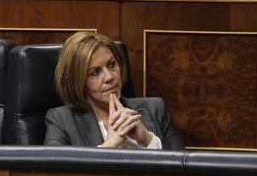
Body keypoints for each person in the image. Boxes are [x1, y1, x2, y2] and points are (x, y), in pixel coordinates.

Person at [44, 31, 183, 150]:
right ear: (78, 82)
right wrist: (109, 146)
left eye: (112, 64)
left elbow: (183, 172)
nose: (110, 77)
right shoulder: (61, 120)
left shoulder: (155, 109)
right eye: (95, 72)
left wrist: (148, 140)